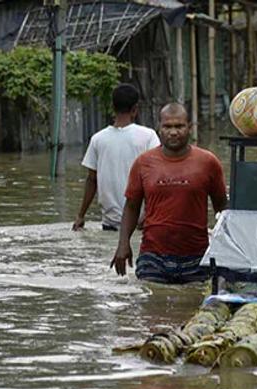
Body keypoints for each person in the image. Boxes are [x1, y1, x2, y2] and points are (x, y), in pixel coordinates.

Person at [111, 103, 228, 284]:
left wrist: (227, 249)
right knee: (151, 306)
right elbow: (132, 206)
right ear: (159, 128)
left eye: (179, 126)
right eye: (167, 126)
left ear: (190, 127)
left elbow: (222, 207)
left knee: (191, 308)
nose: (173, 132)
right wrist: (122, 244)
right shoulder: (143, 163)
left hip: (197, 257)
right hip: (153, 256)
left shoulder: (208, 162)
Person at [73, 84, 160, 231]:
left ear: (112, 107)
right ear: (135, 109)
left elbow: (91, 180)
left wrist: (81, 215)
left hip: (110, 224)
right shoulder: (148, 136)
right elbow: (157, 178)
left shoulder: (98, 139)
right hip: (141, 224)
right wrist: (148, 212)